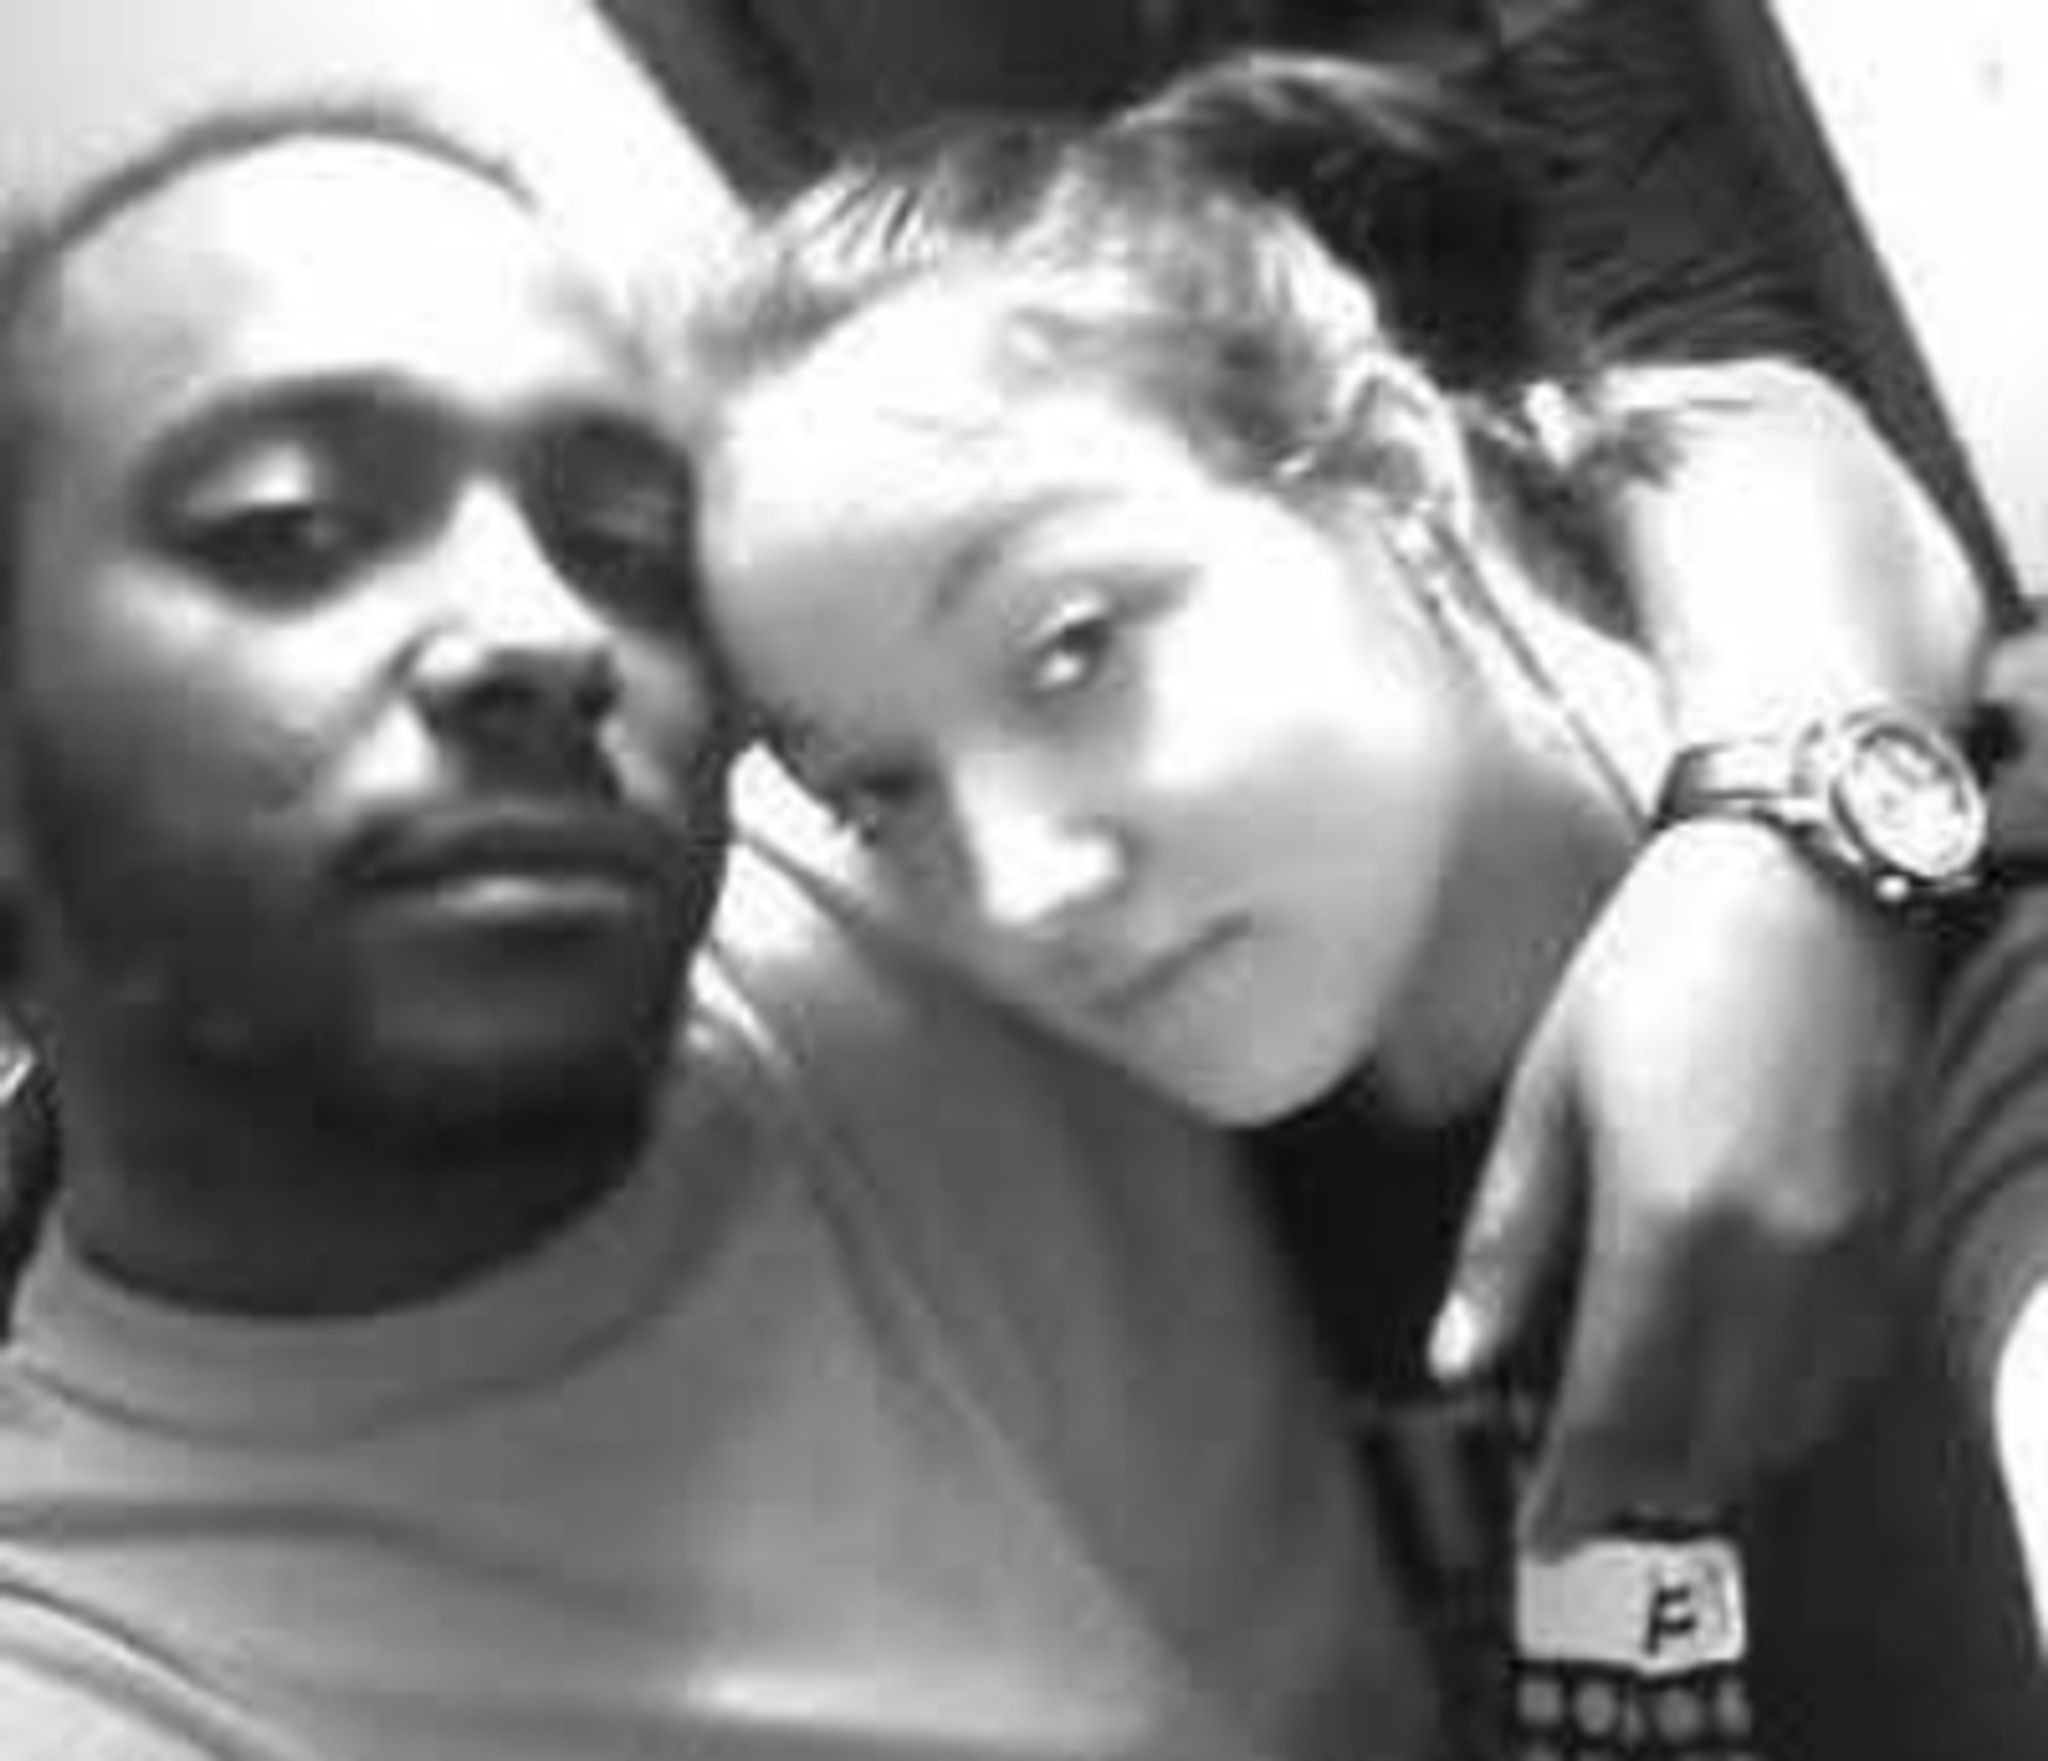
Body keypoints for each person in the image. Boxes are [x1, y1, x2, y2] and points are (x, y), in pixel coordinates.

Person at [0, 7, 2003, 1759]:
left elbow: (1702, 430)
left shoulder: (871, 919)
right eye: (285, 523)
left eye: (609, 538)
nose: (541, 629)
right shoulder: (91, 1650)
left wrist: (1784, 834)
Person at [683, 49, 2047, 1755]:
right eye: (882, 790)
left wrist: (1788, 856)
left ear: (1393, 468)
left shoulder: (1956, 946)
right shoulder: (1185, 1156)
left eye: (1073, 648)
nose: (1021, 888)